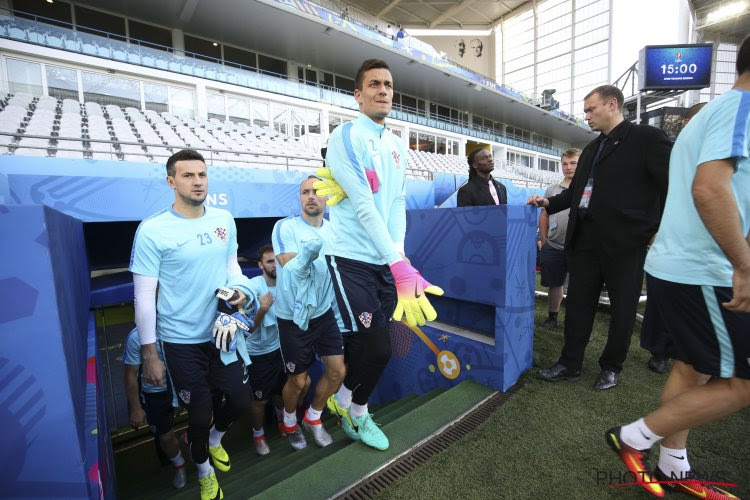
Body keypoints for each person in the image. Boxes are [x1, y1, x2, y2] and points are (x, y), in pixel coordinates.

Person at [605, 35, 750, 499]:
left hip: (684, 266)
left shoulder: (712, 112)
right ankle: (633, 437)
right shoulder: (739, 108)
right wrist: (744, 266)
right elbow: (709, 190)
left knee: (694, 368)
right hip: (707, 269)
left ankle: (673, 463)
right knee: (742, 384)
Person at [315, 58, 443, 451]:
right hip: (349, 257)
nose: (383, 90)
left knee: (371, 346)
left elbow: (397, 202)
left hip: (386, 261)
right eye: (374, 84)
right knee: (379, 346)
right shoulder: (345, 136)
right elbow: (364, 205)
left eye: (387, 84)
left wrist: (399, 256)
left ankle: (344, 401)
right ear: (358, 95)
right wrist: (397, 263)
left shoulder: (395, 143)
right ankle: (357, 412)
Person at [528, 84, 671, 391]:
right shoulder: (592, 148)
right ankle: (570, 362)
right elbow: (576, 193)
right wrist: (548, 203)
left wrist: (654, 228)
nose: (587, 115)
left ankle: (611, 367)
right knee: (578, 304)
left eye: (591, 109)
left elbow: (669, 187)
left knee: (622, 307)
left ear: (612, 104)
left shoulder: (647, 139)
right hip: (585, 242)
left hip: (625, 243)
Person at [130, 148, 254, 500]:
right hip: (181, 343)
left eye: (201, 174)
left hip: (222, 333)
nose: (197, 181)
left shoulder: (224, 219)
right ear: (171, 181)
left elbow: (233, 268)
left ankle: (214, 441)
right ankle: (203, 470)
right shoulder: (153, 230)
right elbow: (143, 298)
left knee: (241, 403)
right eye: (188, 175)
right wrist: (150, 355)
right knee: (198, 416)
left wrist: (242, 292)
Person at [272, 177, 346, 451]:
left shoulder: (335, 230)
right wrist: (307, 258)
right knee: (299, 380)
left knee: (337, 372)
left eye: (317, 192)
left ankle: (313, 417)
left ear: (327, 198)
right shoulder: (285, 227)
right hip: (292, 318)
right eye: (305, 192)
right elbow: (290, 268)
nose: (311, 196)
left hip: (324, 314)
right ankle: (289, 421)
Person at [641, 102, 708, 375]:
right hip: (670, 242)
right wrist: (654, 229)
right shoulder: (671, 153)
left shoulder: (713, 153)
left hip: (703, 245)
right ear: (685, 123)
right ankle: (660, 351)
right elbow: (657, 193)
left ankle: (684, 352)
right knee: (664, 300)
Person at [123, 327, 187, 490]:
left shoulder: (179, 324)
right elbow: (130, 374)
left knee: (202, 416)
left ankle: (191, 440)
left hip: (182, 385)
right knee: (165, 437)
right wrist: (136, 407)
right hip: (155, 395)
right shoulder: (136, 337)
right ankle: (179, 465)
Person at [244, 245, 292, 456]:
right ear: (260, 265)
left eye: (276, 260)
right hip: (257, 353)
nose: (274, 265)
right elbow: (248, 329)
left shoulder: (286, 283)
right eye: (269, 261)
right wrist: (263, 309)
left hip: (280, 348)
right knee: (260, 400)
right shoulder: (252, 287)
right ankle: (258, 435)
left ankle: (283, 421)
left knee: (285, 391)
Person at [538, 148, 580, 330]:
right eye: (564, 163)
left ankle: (576, 323)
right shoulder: (552, 189)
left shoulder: (589, 188)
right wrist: (544, 238)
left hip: (579, 247)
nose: (568, 167)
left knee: (580, 288)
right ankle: (552, 317)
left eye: (573, 163)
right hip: (554, 244)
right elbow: (544, 214)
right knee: (554, 283)